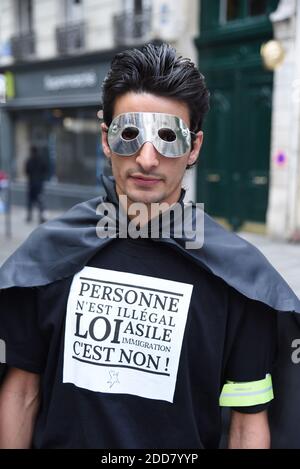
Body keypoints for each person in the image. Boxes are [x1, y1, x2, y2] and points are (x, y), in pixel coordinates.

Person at [0, 43, 299, 450]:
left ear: (193, 148)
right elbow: (22, 392)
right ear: (106, 139)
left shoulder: (239, 278)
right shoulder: (48, 255)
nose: (146, 158)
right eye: (129, 134)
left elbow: (248, 424)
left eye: (167, 138)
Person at [25, 146, 47, 224]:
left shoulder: (29, 160)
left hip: (31, 183)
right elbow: (45, 169)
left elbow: (26, 171)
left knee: (30, 201)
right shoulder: (41, 160)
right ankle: (41, 217)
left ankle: (29, 216)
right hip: (39, 183)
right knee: (40, 200)